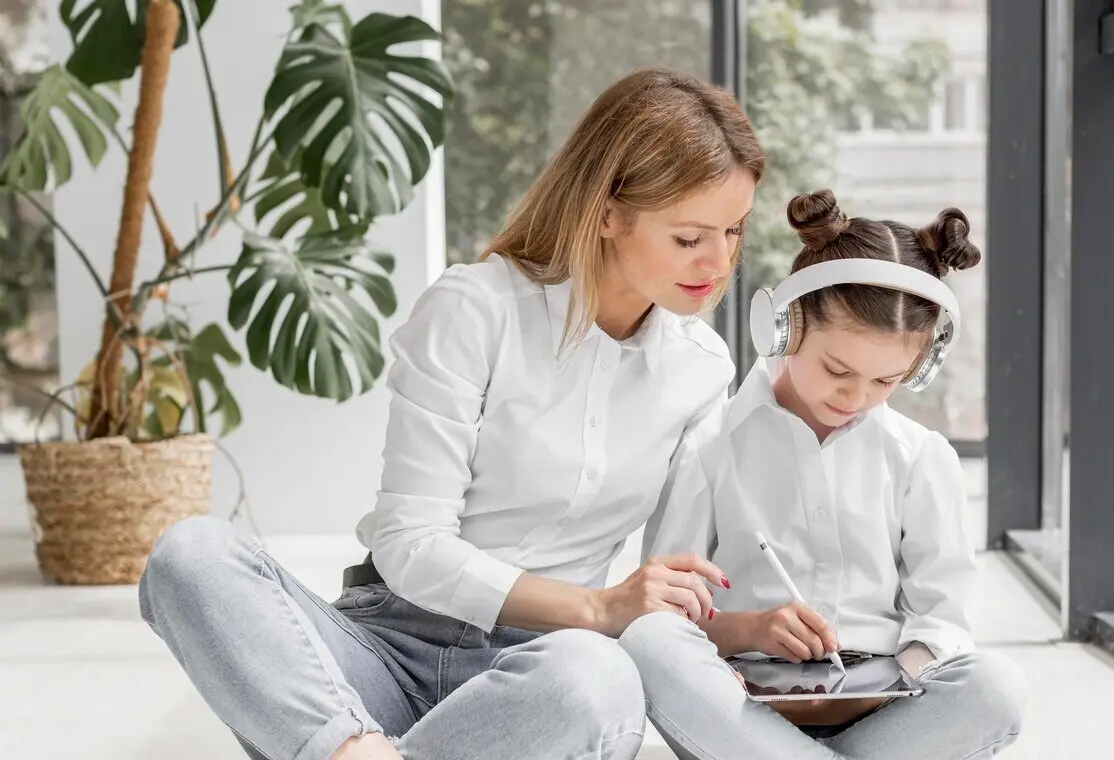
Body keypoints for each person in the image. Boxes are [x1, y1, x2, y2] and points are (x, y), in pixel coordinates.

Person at [137, 67, 763, 760]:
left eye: (734, 231)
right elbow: (409, 543)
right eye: (689, 238)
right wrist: (595, 608)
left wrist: (745, 635)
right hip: (378, 657)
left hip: (534, 686)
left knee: (597, 675)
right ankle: (353, 750)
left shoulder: (702, 368)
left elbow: (669, 590)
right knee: (190, 554)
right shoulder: (476, 309)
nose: (719, 261)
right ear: (607, 211)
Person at [622, 190, 1028, 760]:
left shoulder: (920, 458)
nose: (857, 396)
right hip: (741, 706)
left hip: (883, 716)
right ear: (784, 328)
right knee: (649, 642)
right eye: (837, 369)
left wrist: (888, 684)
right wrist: (754, 631)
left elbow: (940, 623)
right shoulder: (711, 447)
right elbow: (669, 613)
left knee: (997, 687)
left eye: (885, 381)